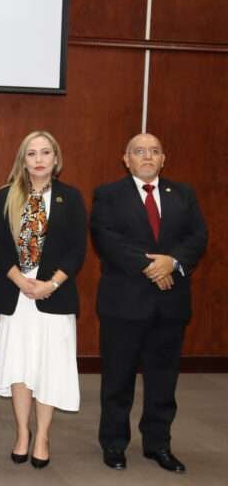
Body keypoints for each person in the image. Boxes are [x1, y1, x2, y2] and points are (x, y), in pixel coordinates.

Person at [91, 133, 207, 473]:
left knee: (163, 380)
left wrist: (172, 262)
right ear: (126, 159)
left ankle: (158, 445)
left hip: (171, 303)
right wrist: (152, 266)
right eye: (139, 152)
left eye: (154, 151)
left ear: (163, 158)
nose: (147, 156)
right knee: (118, 379)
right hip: (123, 302)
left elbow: (197, 236)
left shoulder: (183, 194)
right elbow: (106, 237)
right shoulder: (108, 194)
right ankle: (114, 444)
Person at [0, 131, 86, 469]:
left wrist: (50, 284)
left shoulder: (70, 198)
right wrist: (20, 281)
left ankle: (42, 435)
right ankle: (22, 434)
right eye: (32, 153)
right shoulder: (6, 196)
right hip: (17, 296)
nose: (39, 159)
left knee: (49, 367)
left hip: (54, 296)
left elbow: (77, 249)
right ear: (23, 160)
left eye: (46, 152)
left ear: (56, 159)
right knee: (20, 367)